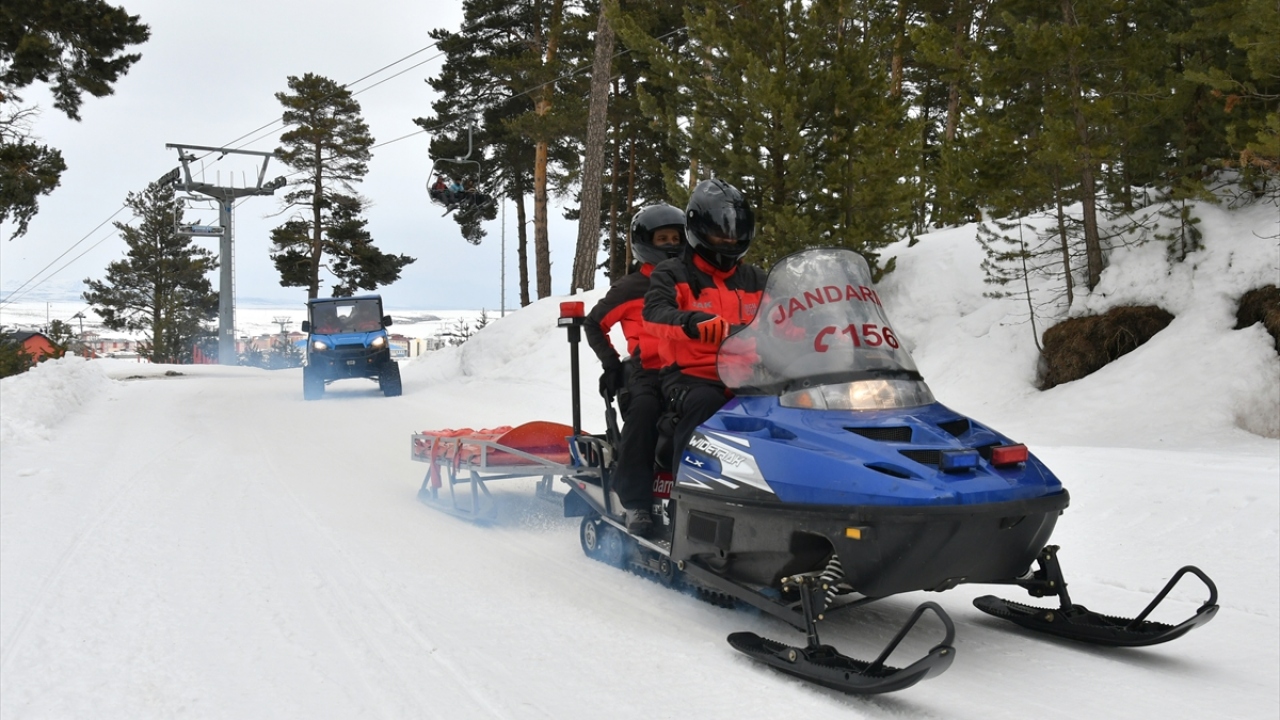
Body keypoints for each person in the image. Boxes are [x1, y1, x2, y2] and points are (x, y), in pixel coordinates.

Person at [643, 179, 766, 474]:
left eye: (736, 232)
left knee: (792, 407)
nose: (729, 240)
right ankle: (686, 485)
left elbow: (787, 317)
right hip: (691, 377)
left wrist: (821, 330)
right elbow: (654, 313)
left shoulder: (757, 279)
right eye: (720, 232)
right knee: (706, 403)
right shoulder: (673, 272)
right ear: (698, 228)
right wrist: (690, 321)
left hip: (750, 376)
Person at [584, 203, 687, 535]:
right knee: (644, 411)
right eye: (663, 239)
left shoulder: (692, 282)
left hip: (689, 368)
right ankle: (636, 503)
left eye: (676, 238)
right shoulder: (630, 288)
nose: (671, 245)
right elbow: (594, 323)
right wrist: (611, 364)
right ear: (645, 243)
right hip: (648, 371)